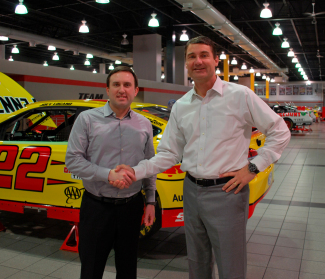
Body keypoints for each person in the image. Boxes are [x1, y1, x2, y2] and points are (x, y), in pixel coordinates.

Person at [113, 36, 291, 279]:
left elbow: (280, 131)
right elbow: (169, 153)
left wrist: (252, 168)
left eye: (204, 55)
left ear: (216, 60)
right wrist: (136, 170)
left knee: (231, 263)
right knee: (197, 261)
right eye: (191, 56)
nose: (198, 61)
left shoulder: (240, 96)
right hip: (192, 190)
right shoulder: (181, 106)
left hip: (227, 193)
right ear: (186, 64)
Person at [65, 66, 157, 279]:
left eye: (127, 85)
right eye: (116, 84)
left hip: (131, 208)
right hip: (97, 207)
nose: (122, 89)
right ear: (107, 89)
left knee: (127, 269)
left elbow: (150, 164)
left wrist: (150, 201)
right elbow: (73, 160)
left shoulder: (144, 124)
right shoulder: (87, 119)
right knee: (91, 268)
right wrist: (108, 174)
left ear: (136, 91)